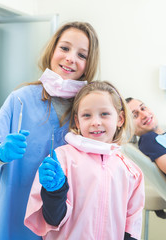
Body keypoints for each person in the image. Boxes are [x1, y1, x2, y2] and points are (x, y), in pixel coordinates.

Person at [0, 21, 100, 240]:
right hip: (15, 223)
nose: (71, 58)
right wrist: (0, 153)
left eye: (82, 55)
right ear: (52, 50)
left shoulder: (89, 112)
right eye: (65, 48)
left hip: (66, 227)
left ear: (90, 64)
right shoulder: (20, 100)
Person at [24, 81, 145, 240]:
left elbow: (131, 230)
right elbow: (52, 219)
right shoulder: (61, 159)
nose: (95, 122)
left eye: (104, 114)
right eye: (87, 115)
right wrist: (55, 192)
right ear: (77, 121)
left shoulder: (132, 172)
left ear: (120, 119)